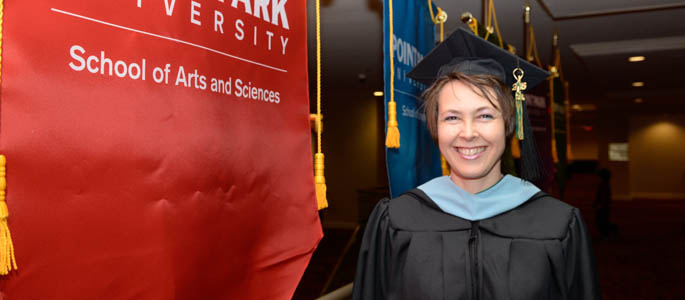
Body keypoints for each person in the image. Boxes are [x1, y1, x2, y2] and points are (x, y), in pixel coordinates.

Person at [352, 28, 601, 300]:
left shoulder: (558, 224)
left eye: (484, 116)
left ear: (508, 124)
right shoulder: (397, 220)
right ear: (435, 127)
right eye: (452, 118)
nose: (468, 132)